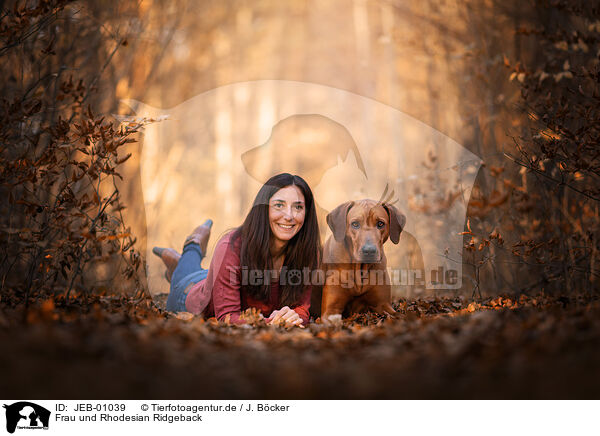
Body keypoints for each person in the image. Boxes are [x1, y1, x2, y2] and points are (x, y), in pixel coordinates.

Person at [153, 173, 321, 327]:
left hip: (216, 277)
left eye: (298, 207)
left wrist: (293, 316)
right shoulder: (231, 247)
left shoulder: (306, 252)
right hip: (190, 297)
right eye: (279, 205)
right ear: (263, 208)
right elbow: (226, 316)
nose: (289, 215)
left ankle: (177, 262)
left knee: (201, 273)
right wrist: (271, 322)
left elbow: (301, 307)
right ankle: (194, 244)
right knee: (184, 276)